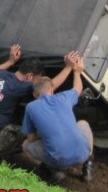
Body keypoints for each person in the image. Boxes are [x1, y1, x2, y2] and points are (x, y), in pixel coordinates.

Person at [0, 44, 77, 164]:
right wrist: (68, 68)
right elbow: (50, 86)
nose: (38, 83)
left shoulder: (0, 74)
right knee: (27, 135)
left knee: (2, 124)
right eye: (38, 79)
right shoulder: (19, 87)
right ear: (30, 76)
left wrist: (10, 61)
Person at [22, 53, 94, 183]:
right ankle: (87, 167)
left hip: (57, 160)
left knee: (26, 145)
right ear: (52, 90)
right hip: (82, 153)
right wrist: (77, 72)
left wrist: (43, 133)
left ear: (34, 94)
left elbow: (31, 138)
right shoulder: (64, 98)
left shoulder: (31, 107)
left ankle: (54, 171)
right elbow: (78, 88)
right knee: (83, 123)